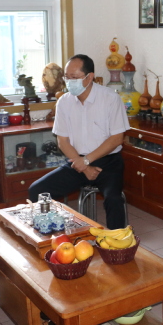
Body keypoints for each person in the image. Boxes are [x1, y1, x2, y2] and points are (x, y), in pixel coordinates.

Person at [29, 54, 130, 229]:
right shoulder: (64, 102)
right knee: (37, 190)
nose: (69, 82)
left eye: (74, 77)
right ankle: (47, 232)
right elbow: (62, 141)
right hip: (76, 162)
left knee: (113, 199)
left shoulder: (110, 98)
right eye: (67, 77)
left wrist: (87, 161)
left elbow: (116, 139)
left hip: (108, 162)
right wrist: (83, 165)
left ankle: (117, 242)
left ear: (89, 77)